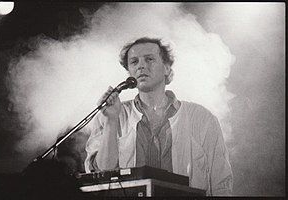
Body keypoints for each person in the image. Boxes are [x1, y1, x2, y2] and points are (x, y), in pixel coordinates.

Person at [84, 37, 233, 196]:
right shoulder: (110, 115)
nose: (141, 65)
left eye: (149, 59)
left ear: (167, 69)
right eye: (134, 62)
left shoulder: (202, 118)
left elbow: (220, 183)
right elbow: (101, 178)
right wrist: (111, 121)